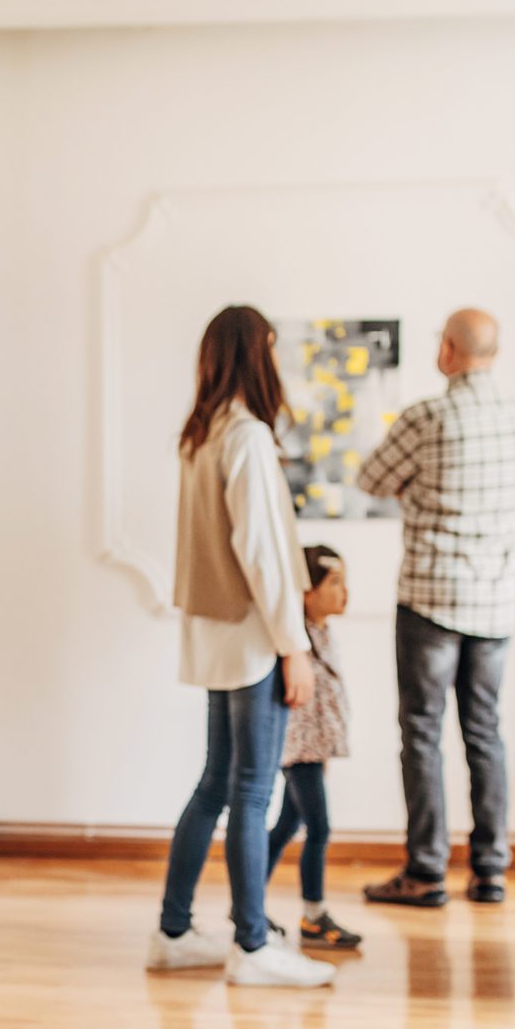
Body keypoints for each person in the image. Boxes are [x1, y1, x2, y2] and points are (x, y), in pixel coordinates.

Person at [147, 306, 334, 990]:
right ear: (257, 354)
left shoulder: (201, 436)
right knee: (252, 792)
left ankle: (173, 931)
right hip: (255, 637)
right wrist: (296, 646)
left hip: (214, 635)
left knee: (215, 786)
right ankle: (252, 945)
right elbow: (262, 553)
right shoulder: (247, 436)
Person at [355, 308, 515, 908]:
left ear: (450, 352)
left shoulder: (427, 417)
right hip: (496, 601)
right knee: (485, 733)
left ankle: (426, 870)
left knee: (423, 734)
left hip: (432, 598)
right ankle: (490, 871)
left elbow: (370, 479)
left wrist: (413, 487)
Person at [266, 545, 363, 949]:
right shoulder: (296, 639)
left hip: (315, 749)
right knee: (318, 828)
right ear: (307, 590)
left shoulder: (322, 632)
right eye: (334, 583)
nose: (345, 592)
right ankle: (313, 915)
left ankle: (247, 902)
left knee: (288, 825)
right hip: (299, 751)